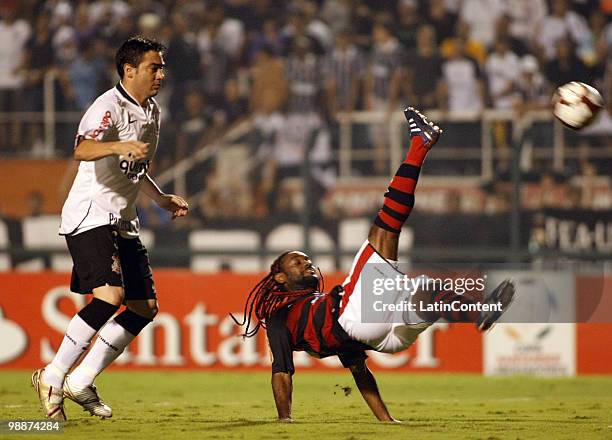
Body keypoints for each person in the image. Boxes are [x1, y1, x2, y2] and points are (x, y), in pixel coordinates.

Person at [234, 108, 515, 423]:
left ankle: (479, 314)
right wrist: (284, 418)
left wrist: (386, 420)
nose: (307, 263)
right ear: (281, 277)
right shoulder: (280, 317)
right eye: (297, 262)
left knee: (428, 292)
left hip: (380, 338)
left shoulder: (315, 315)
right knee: (384, 228)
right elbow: (282, 371)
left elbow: (359, 371)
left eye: (308, 259)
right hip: (355, 316)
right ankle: (420, 144)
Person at [32, 36, 189, 421]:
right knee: (110, 296)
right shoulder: (107, 106)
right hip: (90, 214)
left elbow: (135, 167)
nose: (161, 74)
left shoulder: (152, 110)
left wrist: (161, 198)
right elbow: (83, 150)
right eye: (155, 67)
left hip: (123, 219)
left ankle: (81, 379)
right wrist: (118, 146)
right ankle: (52, 376)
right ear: (129, 69)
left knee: (144, 307)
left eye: (162, 67)